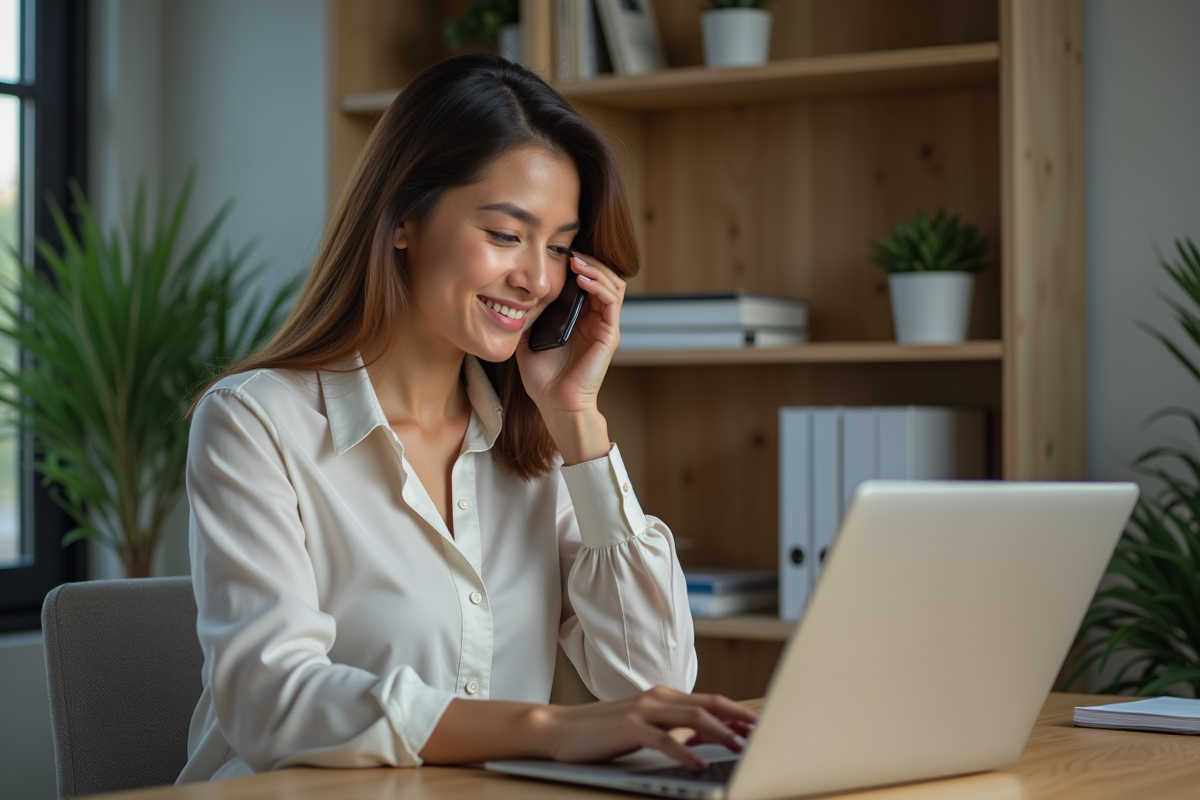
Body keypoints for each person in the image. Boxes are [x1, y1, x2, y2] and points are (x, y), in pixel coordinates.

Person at [177, 53, 756, 783]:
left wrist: (578, 421)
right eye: (505, 235)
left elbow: (651, 681)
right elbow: (270, 701)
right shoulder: (255, 423)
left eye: (559, 248)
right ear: (404, 222)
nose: (538, 279)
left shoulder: (539, 443)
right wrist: (544, 728)